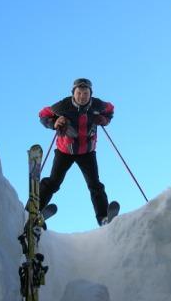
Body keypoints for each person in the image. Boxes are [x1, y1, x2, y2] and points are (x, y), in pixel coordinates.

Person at [38, 78, 114, 226]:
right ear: (73, 93)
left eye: (85, 93)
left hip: (87, 152)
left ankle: (104, 218)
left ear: (90, 94)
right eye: (79, 93)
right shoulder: (62, 106)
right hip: (65, 151)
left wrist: (104, 119)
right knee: (54, 182)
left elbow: (110, 109)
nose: (82, 96)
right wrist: (54, 123)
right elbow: (43, 114)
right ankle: (33, 211)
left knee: (95, 185)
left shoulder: (97, 105)